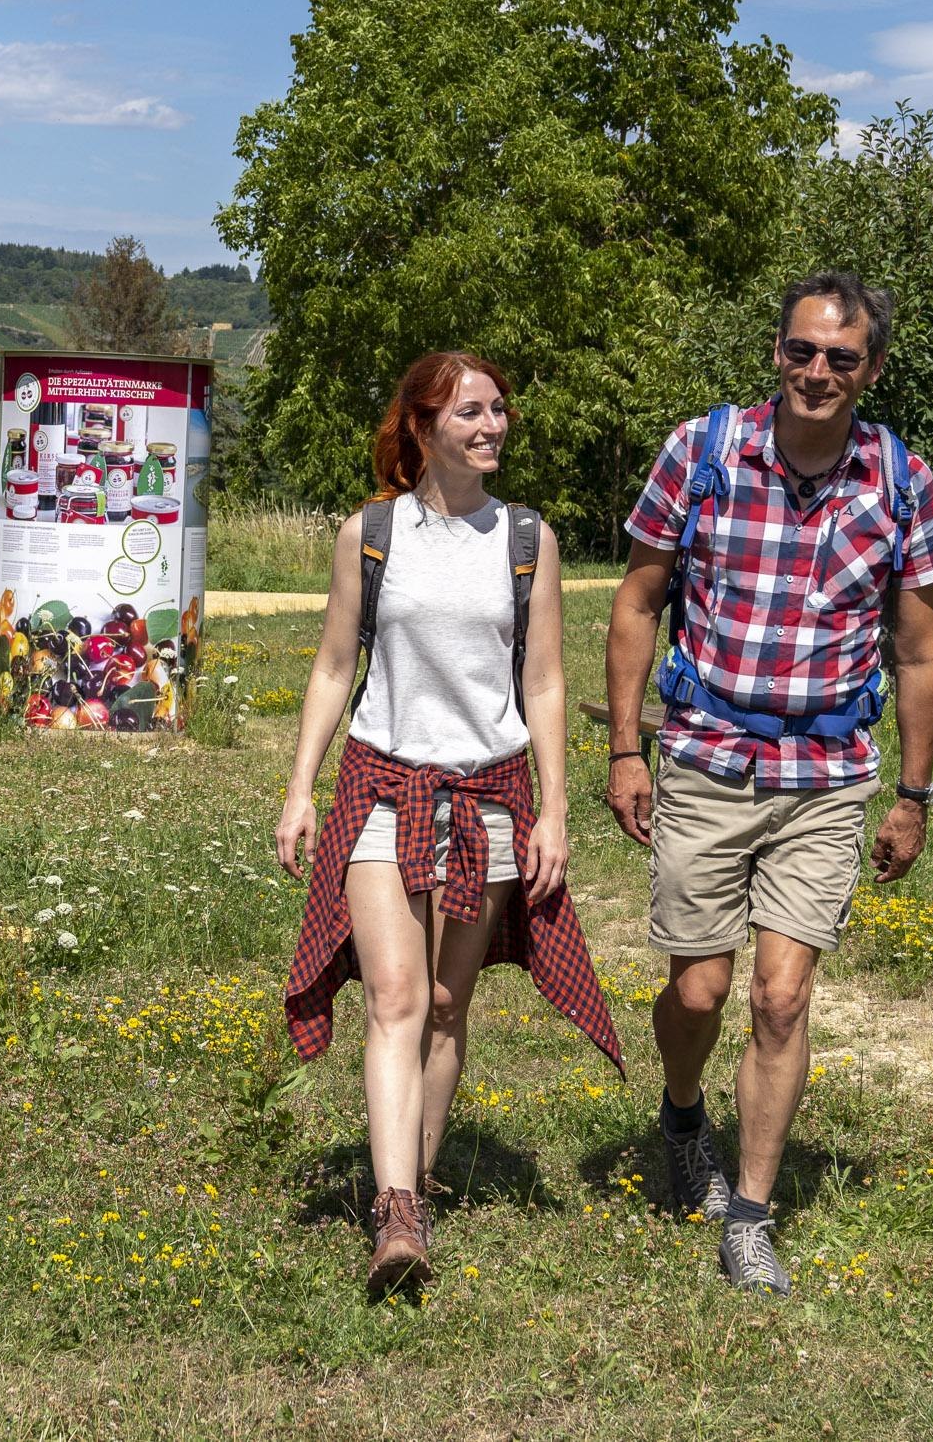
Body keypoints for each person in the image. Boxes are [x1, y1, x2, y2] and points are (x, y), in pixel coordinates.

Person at [603, 272, 933, 1295]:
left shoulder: (899, 479)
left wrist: (914, 795)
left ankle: (750, 1215)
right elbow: (637, 601)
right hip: (706, 757)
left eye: (841, 357)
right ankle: (683, 1116)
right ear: (777, 352)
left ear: (871, 369)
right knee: (700, 989)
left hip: (825, 771)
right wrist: (624, 749)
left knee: (779, 993)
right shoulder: (702, 451)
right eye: (802, 350)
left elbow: (920, 650)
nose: (817, 371)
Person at [279, 350, 622, 1298]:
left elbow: (544, 681)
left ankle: (417, 1185)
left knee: (443, 1001)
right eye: (471, 411)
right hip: (382, 786)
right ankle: (395, 1213)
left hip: (491, 796)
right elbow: (332, 665)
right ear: (423, 426)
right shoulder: (371, 534)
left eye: (499, 409)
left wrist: (555, 807)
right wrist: (302, 786)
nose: (492, 424)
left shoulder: (527, 539)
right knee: (394, 994)